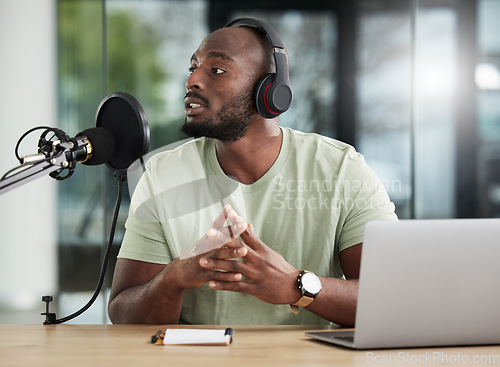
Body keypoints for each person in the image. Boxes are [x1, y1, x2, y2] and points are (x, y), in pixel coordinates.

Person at [107, 18, 397, 326]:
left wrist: (295, 285)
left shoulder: (341, 169)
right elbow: (124, 313)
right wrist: (175, 277)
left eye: (217, 70)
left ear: (270, 91)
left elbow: (391, 301)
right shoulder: (162, 173)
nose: (192, 80)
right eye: (193, 67)